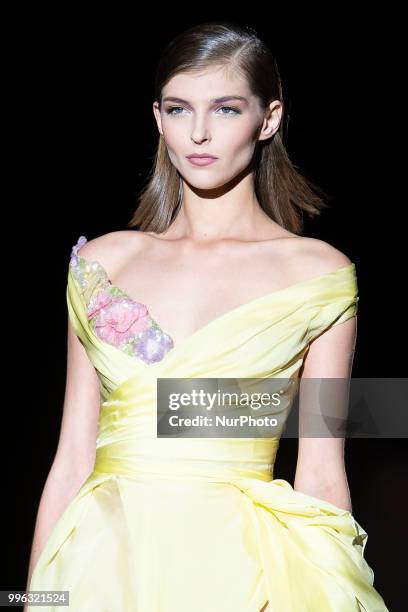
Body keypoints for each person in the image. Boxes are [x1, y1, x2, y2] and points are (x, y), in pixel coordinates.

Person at [25, 21, 388, 612]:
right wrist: (30, 600)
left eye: (225, 109)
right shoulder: (101, 263)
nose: (197, 132)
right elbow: (70, 459)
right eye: (178, 108)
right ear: (157, 118)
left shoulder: (317, 276)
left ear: (267, 119)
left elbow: (321, 474)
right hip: (101, 568)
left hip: (246, 573)